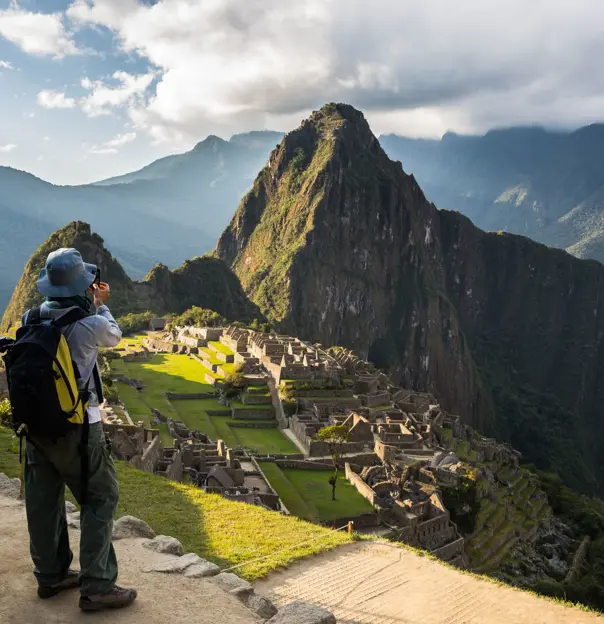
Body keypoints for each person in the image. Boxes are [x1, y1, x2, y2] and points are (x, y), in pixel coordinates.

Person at [21, 248, 137, 612]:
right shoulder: (92, 323)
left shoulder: (30, 317)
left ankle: (51, 574)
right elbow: (114, 334)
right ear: (83, 285)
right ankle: (99, 585)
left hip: (35, 427)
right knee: (100, 497)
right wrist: (101, 303)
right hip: (78, 428)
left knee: (43, 501)